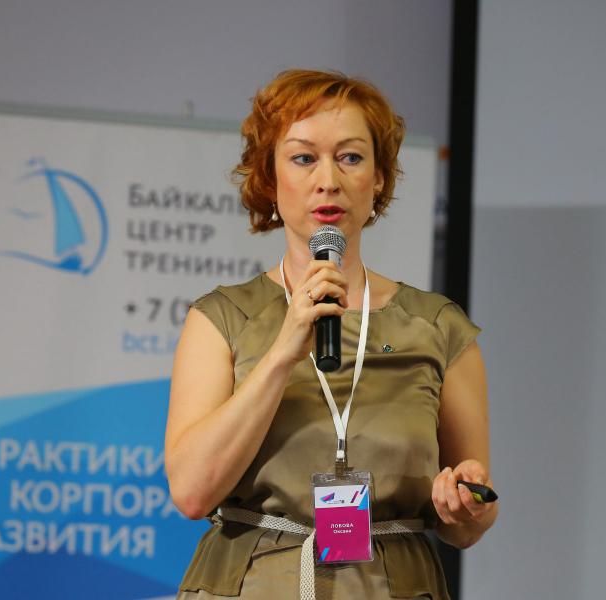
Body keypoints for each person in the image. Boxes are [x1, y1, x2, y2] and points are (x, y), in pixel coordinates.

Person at [165, 69, 497, 599]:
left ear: (379, 178)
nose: (328, 180)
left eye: (350, 157)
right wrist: (283, 350)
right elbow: (190, 493)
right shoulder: (222, 318)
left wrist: (467, 507)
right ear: (270, 177)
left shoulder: (438, 327)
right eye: (303, 158)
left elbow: (466, 522)